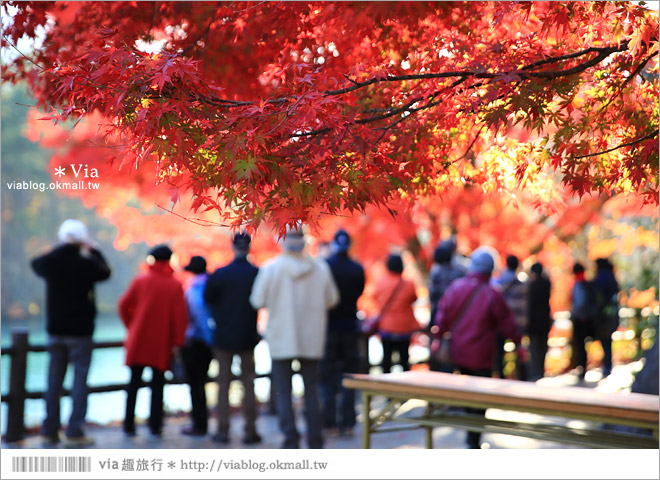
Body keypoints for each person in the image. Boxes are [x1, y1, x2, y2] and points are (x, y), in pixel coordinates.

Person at [250, 225, 339, 449]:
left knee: (283, 390)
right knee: (311, 387)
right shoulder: (320, 268)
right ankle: (315, 437)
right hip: (312, 336)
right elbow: (332, 299)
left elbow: (256, 301)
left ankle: (290, 437)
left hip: (281, 336)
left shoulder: (271, 269)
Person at [31, 219, 111, 446]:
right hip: (81, 332)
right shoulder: (86, 264)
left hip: (56, 331)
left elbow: (36, 262)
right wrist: (93, 249)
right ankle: (75, 430)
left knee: (53, 381)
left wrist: (60, 246)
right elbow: (105, 272)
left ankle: (49, 429)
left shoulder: (51, 263)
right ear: (81, 240)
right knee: (79, 381)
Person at [433, 246, 522, 449]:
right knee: (480, 399)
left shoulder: (456, 287)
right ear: (490, 270)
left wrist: (437, 338)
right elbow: (507, 324)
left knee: (467, 395)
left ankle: (470, 438)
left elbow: (442, 317)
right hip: (482, 355)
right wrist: (517, 343)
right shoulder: (492, 293)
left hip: (459, 352)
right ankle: (474, 439)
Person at [119, 245, 188, 436]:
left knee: (133, 383)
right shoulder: (174, 285)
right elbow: (179, 318)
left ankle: (129, 425)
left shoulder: (140, 280)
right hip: (161, 343)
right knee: (157, 385)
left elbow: (123, 305)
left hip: (139, 339)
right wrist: (178, 343)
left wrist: (131, 326)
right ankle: (155, 425)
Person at [204, 232, 262, 445]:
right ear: (249, 247)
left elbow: (208, 300)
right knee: (249, 382)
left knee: (223, 383)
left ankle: (222, 430)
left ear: (233, 246)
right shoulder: (256, 273)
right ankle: (250, 430)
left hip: (223, 335)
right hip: (248, 335)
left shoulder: (220, 274)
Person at [320, 229, 365, 436]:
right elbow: (359, 292)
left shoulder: (325, 267)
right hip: (349, 326)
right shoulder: (357, 269)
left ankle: (329, 423)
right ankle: (348, 423)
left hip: (328, 326)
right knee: (349, 376)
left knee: (327, 376)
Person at [180, 255, 214, 436]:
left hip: (197, 342)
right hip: (208, 342)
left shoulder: (194, 289)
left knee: (196, 384)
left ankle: (199, 424)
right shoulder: (212, 284)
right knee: (200, 383)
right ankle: (200, 422)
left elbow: (199, 316)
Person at [373, 254, 420, 373]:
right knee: (405, 360)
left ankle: (386, 386)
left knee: (386, 360)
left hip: (386, 327)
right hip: (404, 327)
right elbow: (414, 298)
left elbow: (375, 297)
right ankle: (406, 387)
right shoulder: (409, 284)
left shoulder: (380, 282)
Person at [493, 255, 528, 379]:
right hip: (518, 322)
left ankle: (500, 378)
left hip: (501, 322)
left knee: (498, 353)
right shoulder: (523, 284)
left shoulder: (498, 281)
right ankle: (523, 378)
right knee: (520, 352)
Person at [570, 262, 598, 380]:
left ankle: (582, 368)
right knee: (583, 345)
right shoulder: (587, 283)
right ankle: (583, 366)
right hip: (587, 319)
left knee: (580, 345)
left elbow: (579, 303)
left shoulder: (579, 284)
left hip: (580, 319)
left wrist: (573, 315)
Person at [593, 258, 620, 377]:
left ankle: (607, 366)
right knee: (608, 342)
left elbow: (598, 297)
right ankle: (608, 365)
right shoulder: (612, 277)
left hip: (603, 317)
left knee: (605, 342)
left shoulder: (601, 278)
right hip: (612, 316)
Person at [526, 262, 552, 381]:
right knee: (542, 348)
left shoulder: (531, 285)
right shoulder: (546, 283)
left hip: (534, 322)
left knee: (534, 348)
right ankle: (541, 371)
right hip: (545, 321)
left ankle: (534, 372)